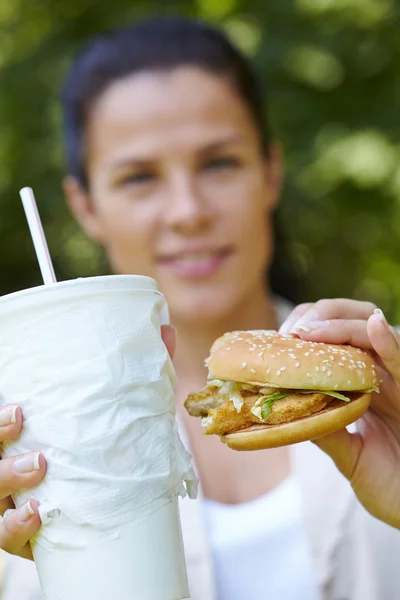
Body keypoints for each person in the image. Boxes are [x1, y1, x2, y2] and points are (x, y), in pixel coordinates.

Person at [0, 17, 400, 600]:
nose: (188, 211)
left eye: (219, 163)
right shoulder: (35, 445)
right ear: (85, 206)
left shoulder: (385, 390)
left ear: (271, 172)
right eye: (139, 178)